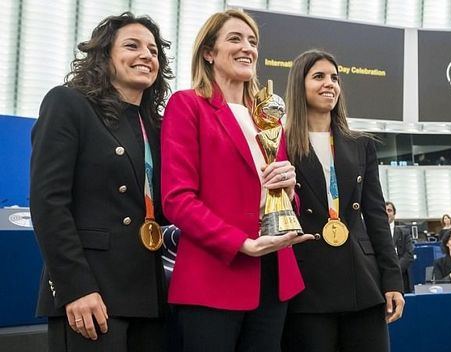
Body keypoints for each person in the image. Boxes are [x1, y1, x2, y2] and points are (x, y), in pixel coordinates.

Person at [160, 10, 314, 352]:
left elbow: (285, 202)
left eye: (253, 41)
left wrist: (289, 188)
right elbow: (177, 199)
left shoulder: (268, 115)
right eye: (235, 38)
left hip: (274, 274)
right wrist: (241, 243)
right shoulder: (187, 106)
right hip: (215, 274)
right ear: (209, 52)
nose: (248, 48)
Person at [30, 12, 173, 351]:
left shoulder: (158, 125)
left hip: (150, 295)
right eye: (132, 46)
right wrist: (75, 287)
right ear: (104, 55)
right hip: (92, 294)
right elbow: (48, 203)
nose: (146, 56)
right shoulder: (68, 104)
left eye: (153, 51)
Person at [282, 49, 404, 352]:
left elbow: (376, 216)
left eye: (335, 78)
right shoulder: (279, 143)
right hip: (307, 286)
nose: (330, 84)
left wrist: (392, 280)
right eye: (319, 76)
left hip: (362, 281)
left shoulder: (360, 144)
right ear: (300, 84)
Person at [385, 201, 414, 293]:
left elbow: (408, 254)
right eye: (384, 210)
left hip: (401, 278)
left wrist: (395, 270)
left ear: (394, 214)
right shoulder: (371, 232)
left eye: (389, 210)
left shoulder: (404, 232)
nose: (386, 213)